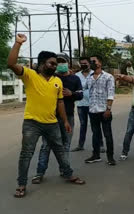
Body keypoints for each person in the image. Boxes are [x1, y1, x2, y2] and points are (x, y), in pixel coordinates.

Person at [7, 34, 85, 198]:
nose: (54, 66)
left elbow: (60, 103)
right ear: (42, 64)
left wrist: (64, 121)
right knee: (26, 153)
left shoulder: (57, 81)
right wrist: (17, 44)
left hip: (52, 123)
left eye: (55, 64)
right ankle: (21, 184)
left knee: (60, 150)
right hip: (32, 123)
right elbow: (11, 63)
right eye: (51, 63)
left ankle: (68, 174)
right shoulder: (30, 75)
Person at [33, 52, 83, 183]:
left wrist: (71, 93)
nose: (60, 64)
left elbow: (80, 95)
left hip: (68, 116)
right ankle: (39, 173)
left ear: (68, 63)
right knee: (46, 146)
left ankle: (65, 171)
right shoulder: (51, 77)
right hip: (50, 117)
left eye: (62, 61)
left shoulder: (74, 79)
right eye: (57, 62)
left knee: (65, 145)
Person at [84, 55, 116, 166]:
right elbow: (84, 89)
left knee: (108, 135)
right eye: (90, 61)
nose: (92, 63)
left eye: (94, 61)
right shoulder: (89, 77)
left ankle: (110, 157)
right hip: (93, 111)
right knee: (95, 134)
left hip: (104, 111)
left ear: (100, 63)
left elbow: (111, 94)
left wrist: (108, 109)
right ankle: (96, 155)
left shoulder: (108, 77)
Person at [72, 57, 94, 152]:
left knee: (95, 125)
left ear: (89, 63)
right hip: (81, 104)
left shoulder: (95, 74)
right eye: (82, 63)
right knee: (83, 125)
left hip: (93, 104)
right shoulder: (76, 75)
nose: (83, 65)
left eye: (85, 63)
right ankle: (80, 145)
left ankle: (100, 145)